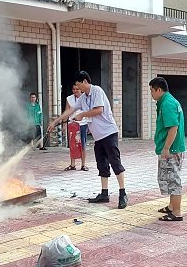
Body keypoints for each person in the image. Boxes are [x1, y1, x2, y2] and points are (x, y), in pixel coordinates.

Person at [48, 71, 128, 209]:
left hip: (109, 133)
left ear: (85, 81)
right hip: (98, 137)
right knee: (102, 164)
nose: (78, 89)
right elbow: (70, 111)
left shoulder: (97, 91)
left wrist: (82, 115)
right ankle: (104, 194)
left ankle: (123, 194)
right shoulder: (83, 98)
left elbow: (99, 110)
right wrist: (55, 122)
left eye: (79, 86)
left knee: (115, 162)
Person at [149, 77, 186, 221]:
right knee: (170, 178)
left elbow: (173, 127)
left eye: (152, 91)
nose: (151, 94)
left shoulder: (168, 103)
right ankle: (171, 206)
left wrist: (166, 148)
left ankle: (176, 212)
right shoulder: (167, 101)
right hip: (173, 148)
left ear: (159, 89)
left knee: (174, 179)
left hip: (172, 149)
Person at [64, 82, 89, 171]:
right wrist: (64, 124)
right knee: (72, 145)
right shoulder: (69, 99)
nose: (75, 91)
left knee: (82, 144)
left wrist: (90, 125)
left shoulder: (85, 98)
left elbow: (89, 111)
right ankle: (72, 164)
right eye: (73, 89)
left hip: (82, 124)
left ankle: (83, 164)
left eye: (77, 89)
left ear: (80, 89)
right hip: (72, 124)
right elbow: (66, 111)